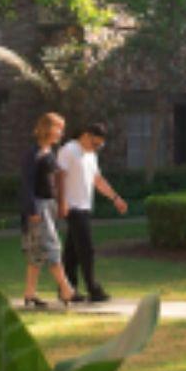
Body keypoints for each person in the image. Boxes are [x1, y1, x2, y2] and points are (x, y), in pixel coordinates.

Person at [53, 121, 128, 302]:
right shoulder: (68, 150)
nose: (96, 147)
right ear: (86, 135)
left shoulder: (91, 155)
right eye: (95, 143)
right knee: (86, 249)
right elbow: (59, 177)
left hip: (85, 206)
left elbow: (98, 180)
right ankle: (93, 288)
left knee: (72, 252)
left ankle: (67, 290)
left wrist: (115, 198)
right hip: (73, 207)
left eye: (100, 145)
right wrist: (61, 202)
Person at [19, 111, 76, 311]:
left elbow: (54, 180)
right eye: (58, 128)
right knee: (52, 247)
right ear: (49, 129)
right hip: (38, 207)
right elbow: (27, 184)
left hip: (49, 205)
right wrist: (32, 210)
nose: (61, 133)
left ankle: (30, 294)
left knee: (37, 252)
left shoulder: (49, 151)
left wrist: (61, 203)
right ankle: (66, 289)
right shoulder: (32, 153)